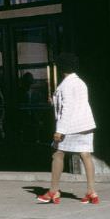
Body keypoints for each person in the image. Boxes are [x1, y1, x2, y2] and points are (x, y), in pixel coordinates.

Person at [37, 53, 98, 204]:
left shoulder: (66, 84)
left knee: (57, 154)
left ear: (61, 67)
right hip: (85, 124)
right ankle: (91, 192)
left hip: (71, 126)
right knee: (86, 155)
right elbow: (77, 103)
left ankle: (53, 191)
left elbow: (68, 108)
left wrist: (60, 130)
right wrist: (55, 101)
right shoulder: (80, 82)